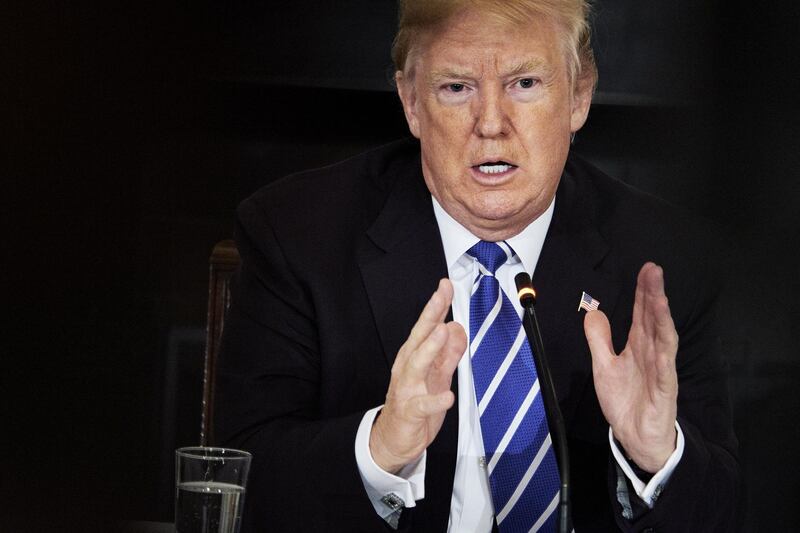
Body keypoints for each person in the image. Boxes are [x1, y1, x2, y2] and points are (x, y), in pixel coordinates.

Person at [215, 1, 740, 531]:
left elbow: (726, 510)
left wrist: (657, 456)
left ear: (579, 97)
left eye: (525, 83)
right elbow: (239, 477)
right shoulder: (300, 235)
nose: (491, 124)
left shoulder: (662, 259)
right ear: (411, 102)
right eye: (456, 87)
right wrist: (380, 450)